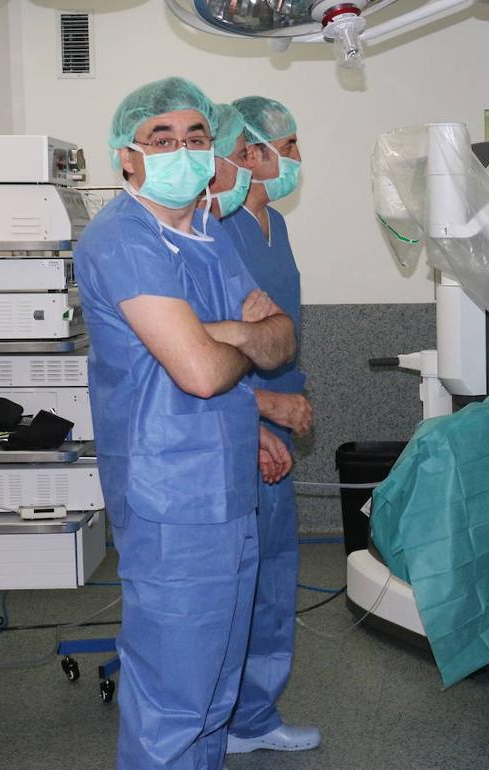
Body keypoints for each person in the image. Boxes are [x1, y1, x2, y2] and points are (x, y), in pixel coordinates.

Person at [74, 76, 297, 770]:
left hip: (226, 488)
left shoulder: (204, 233)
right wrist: (236, 335)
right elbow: (199, 373)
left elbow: (280, 340)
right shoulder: (124, 238)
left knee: (213, 694)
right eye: (161, 139)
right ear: (127, 158)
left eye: (195, 136)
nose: (182, 149)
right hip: (172, 498)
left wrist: (214, 335)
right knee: (175, 699)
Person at [220, 95, 319, 755]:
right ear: (250, 154)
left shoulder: (274, 226)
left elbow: (275, 328)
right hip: (235, 421)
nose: (296, 160)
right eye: (288, 147)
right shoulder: (216, 229)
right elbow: (210, 345)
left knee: (275, 572)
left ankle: (254, 717)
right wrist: (259, 410)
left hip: (279, 416)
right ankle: (222, 716)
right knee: (235, 575)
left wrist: (290, 402)